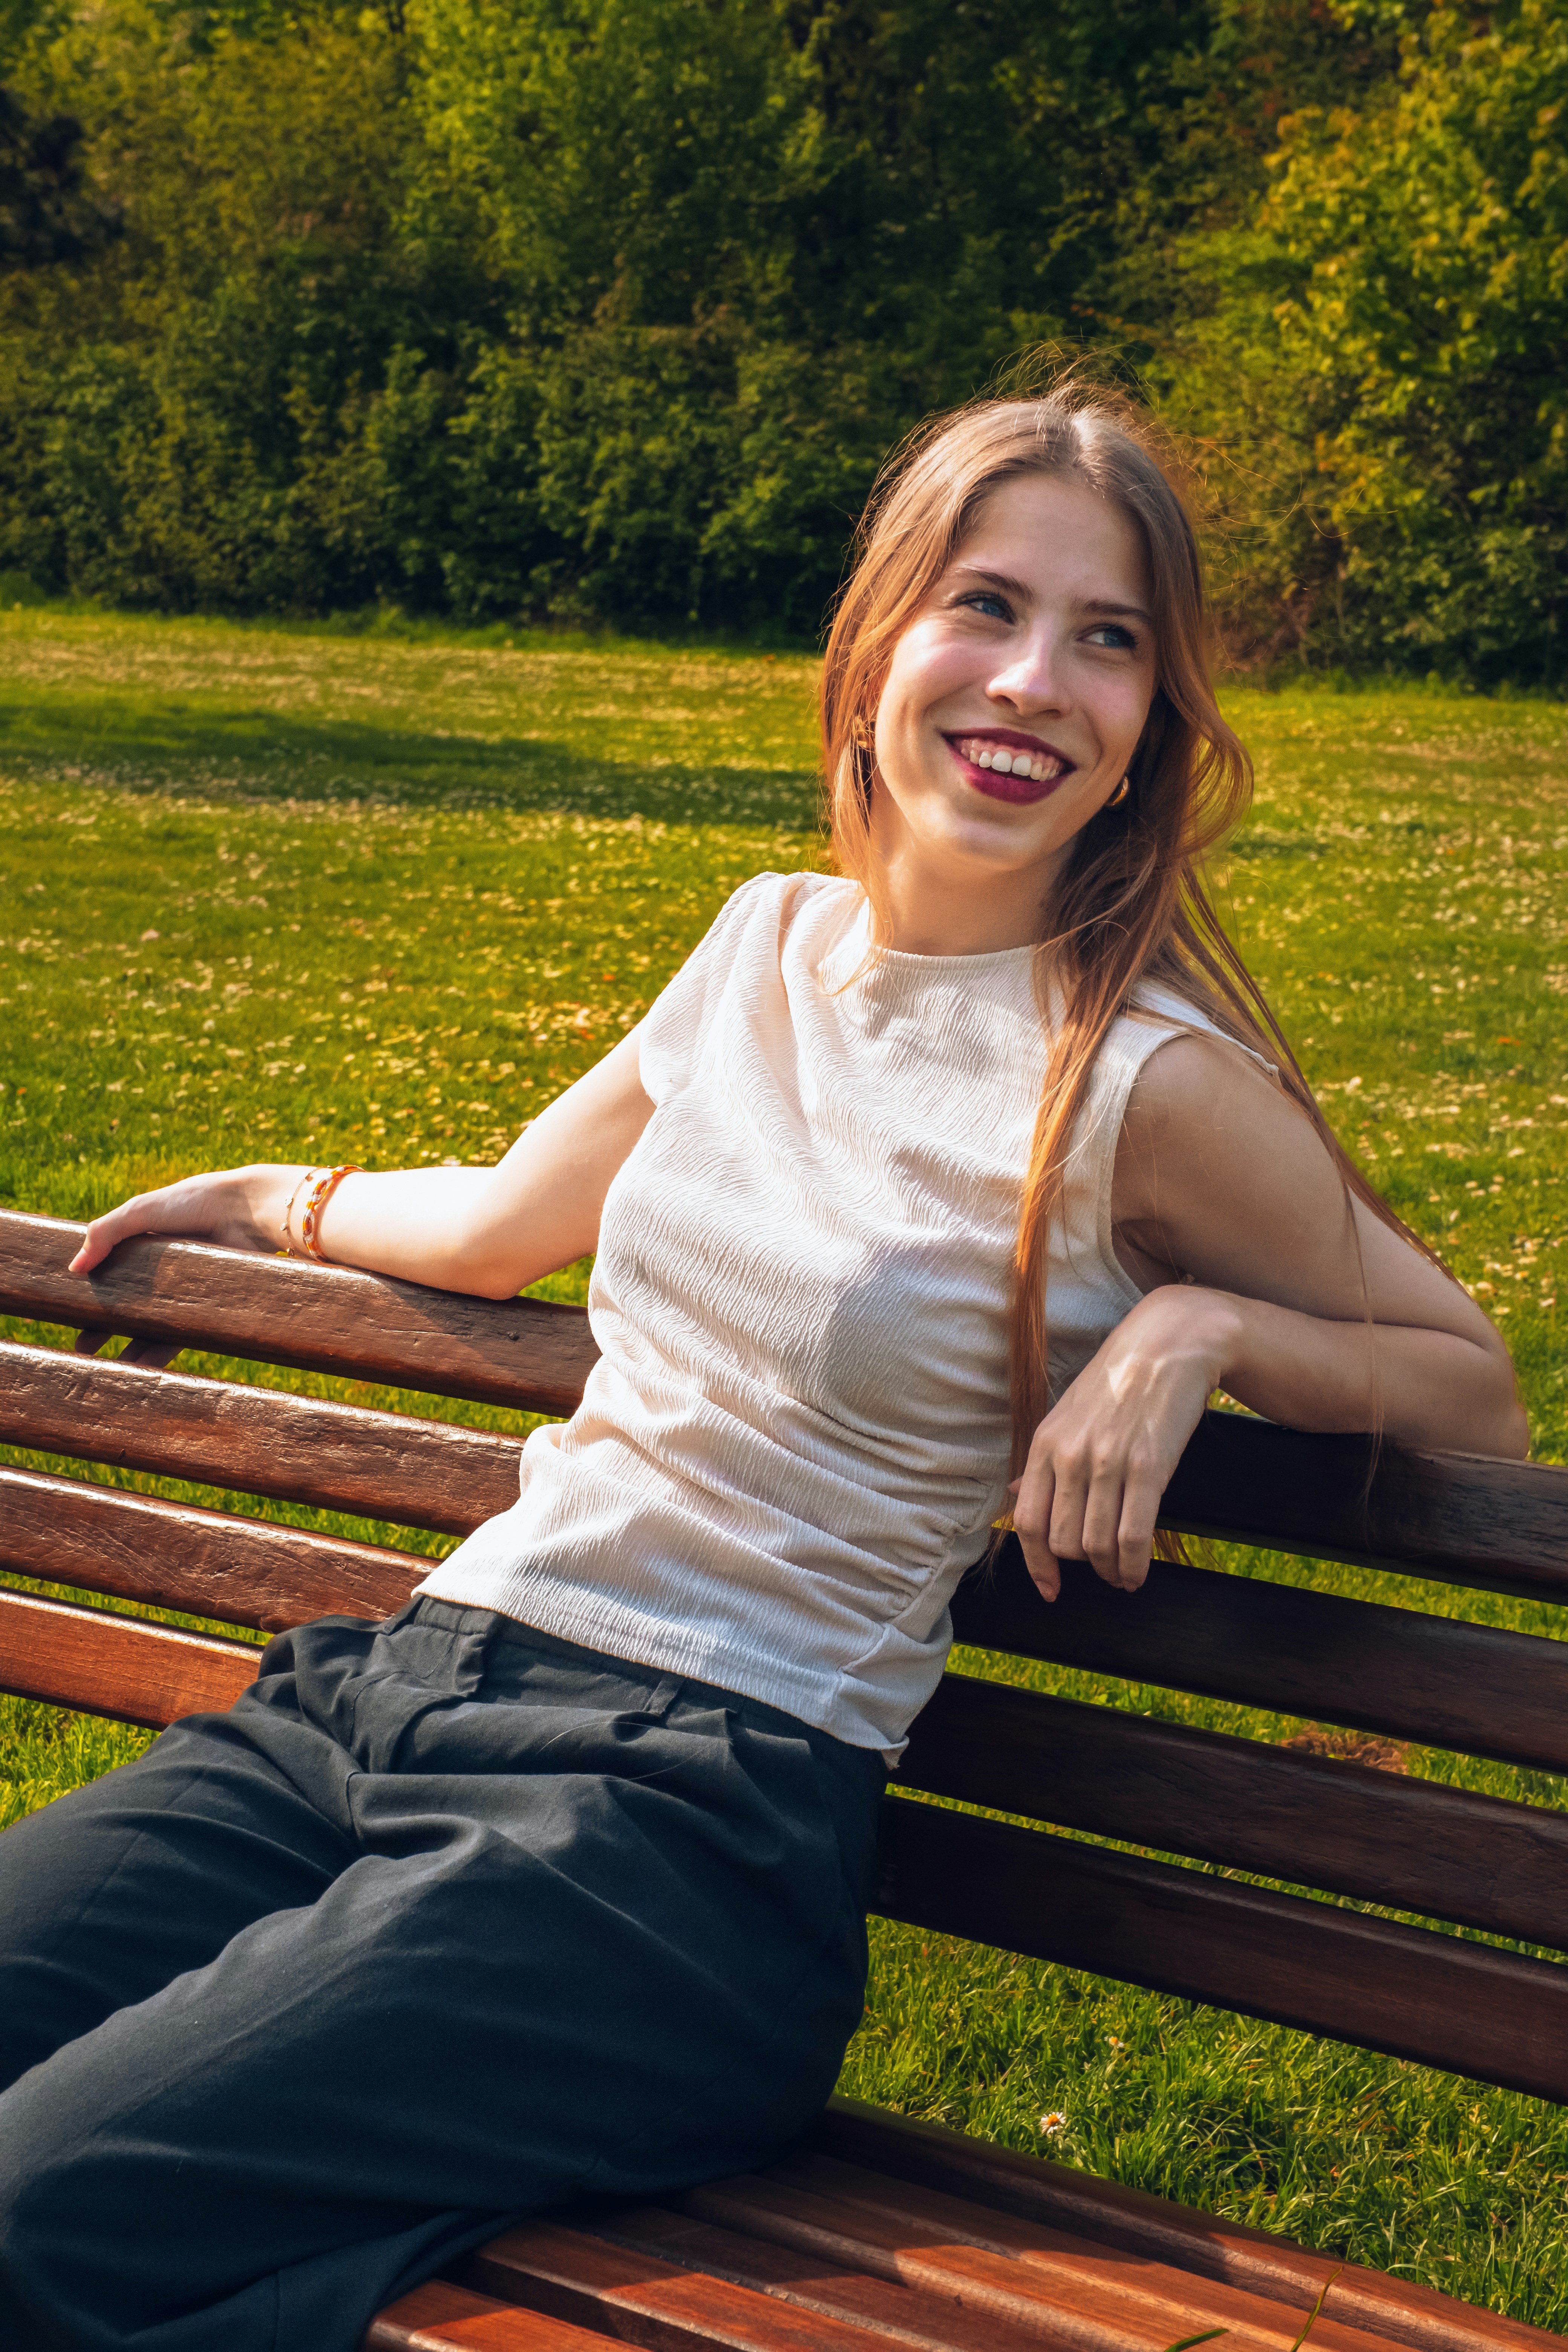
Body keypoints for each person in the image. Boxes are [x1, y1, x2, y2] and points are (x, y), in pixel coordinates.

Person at [0, 382, 1525, 2352]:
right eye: (987, 605)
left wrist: (1200, 1327)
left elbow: (1464, 1381)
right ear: (882, 637)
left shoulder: (1140, 1084)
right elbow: (495, 1226)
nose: (1035, 679)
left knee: (33, 2227)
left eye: (1110, 637)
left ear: (1152, 724)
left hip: (669, 1837)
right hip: (389, 1698)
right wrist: (270, 1191)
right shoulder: (759, 947)